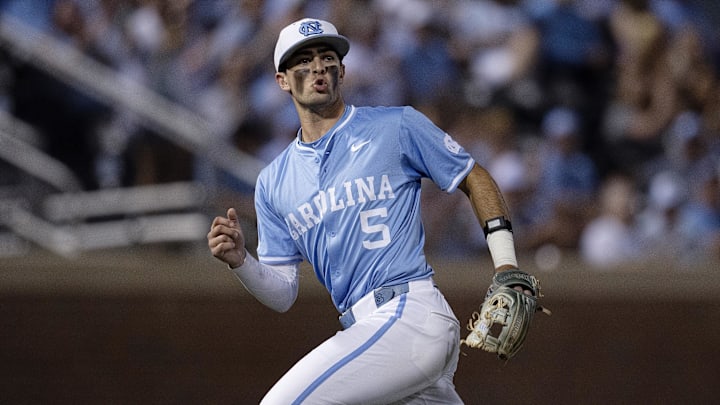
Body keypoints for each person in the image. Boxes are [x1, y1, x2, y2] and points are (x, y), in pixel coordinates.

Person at [207, 18, 525, 404]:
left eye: (327, 57)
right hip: (372, 333)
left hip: (409, 314)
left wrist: (506, 264)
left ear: (342, 71)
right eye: (303, 60)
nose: (318, 66)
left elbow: (474, 177)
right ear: (283, 80)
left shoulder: (395, 125)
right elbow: (282, 293)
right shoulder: (274, 181)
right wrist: (242, 262)